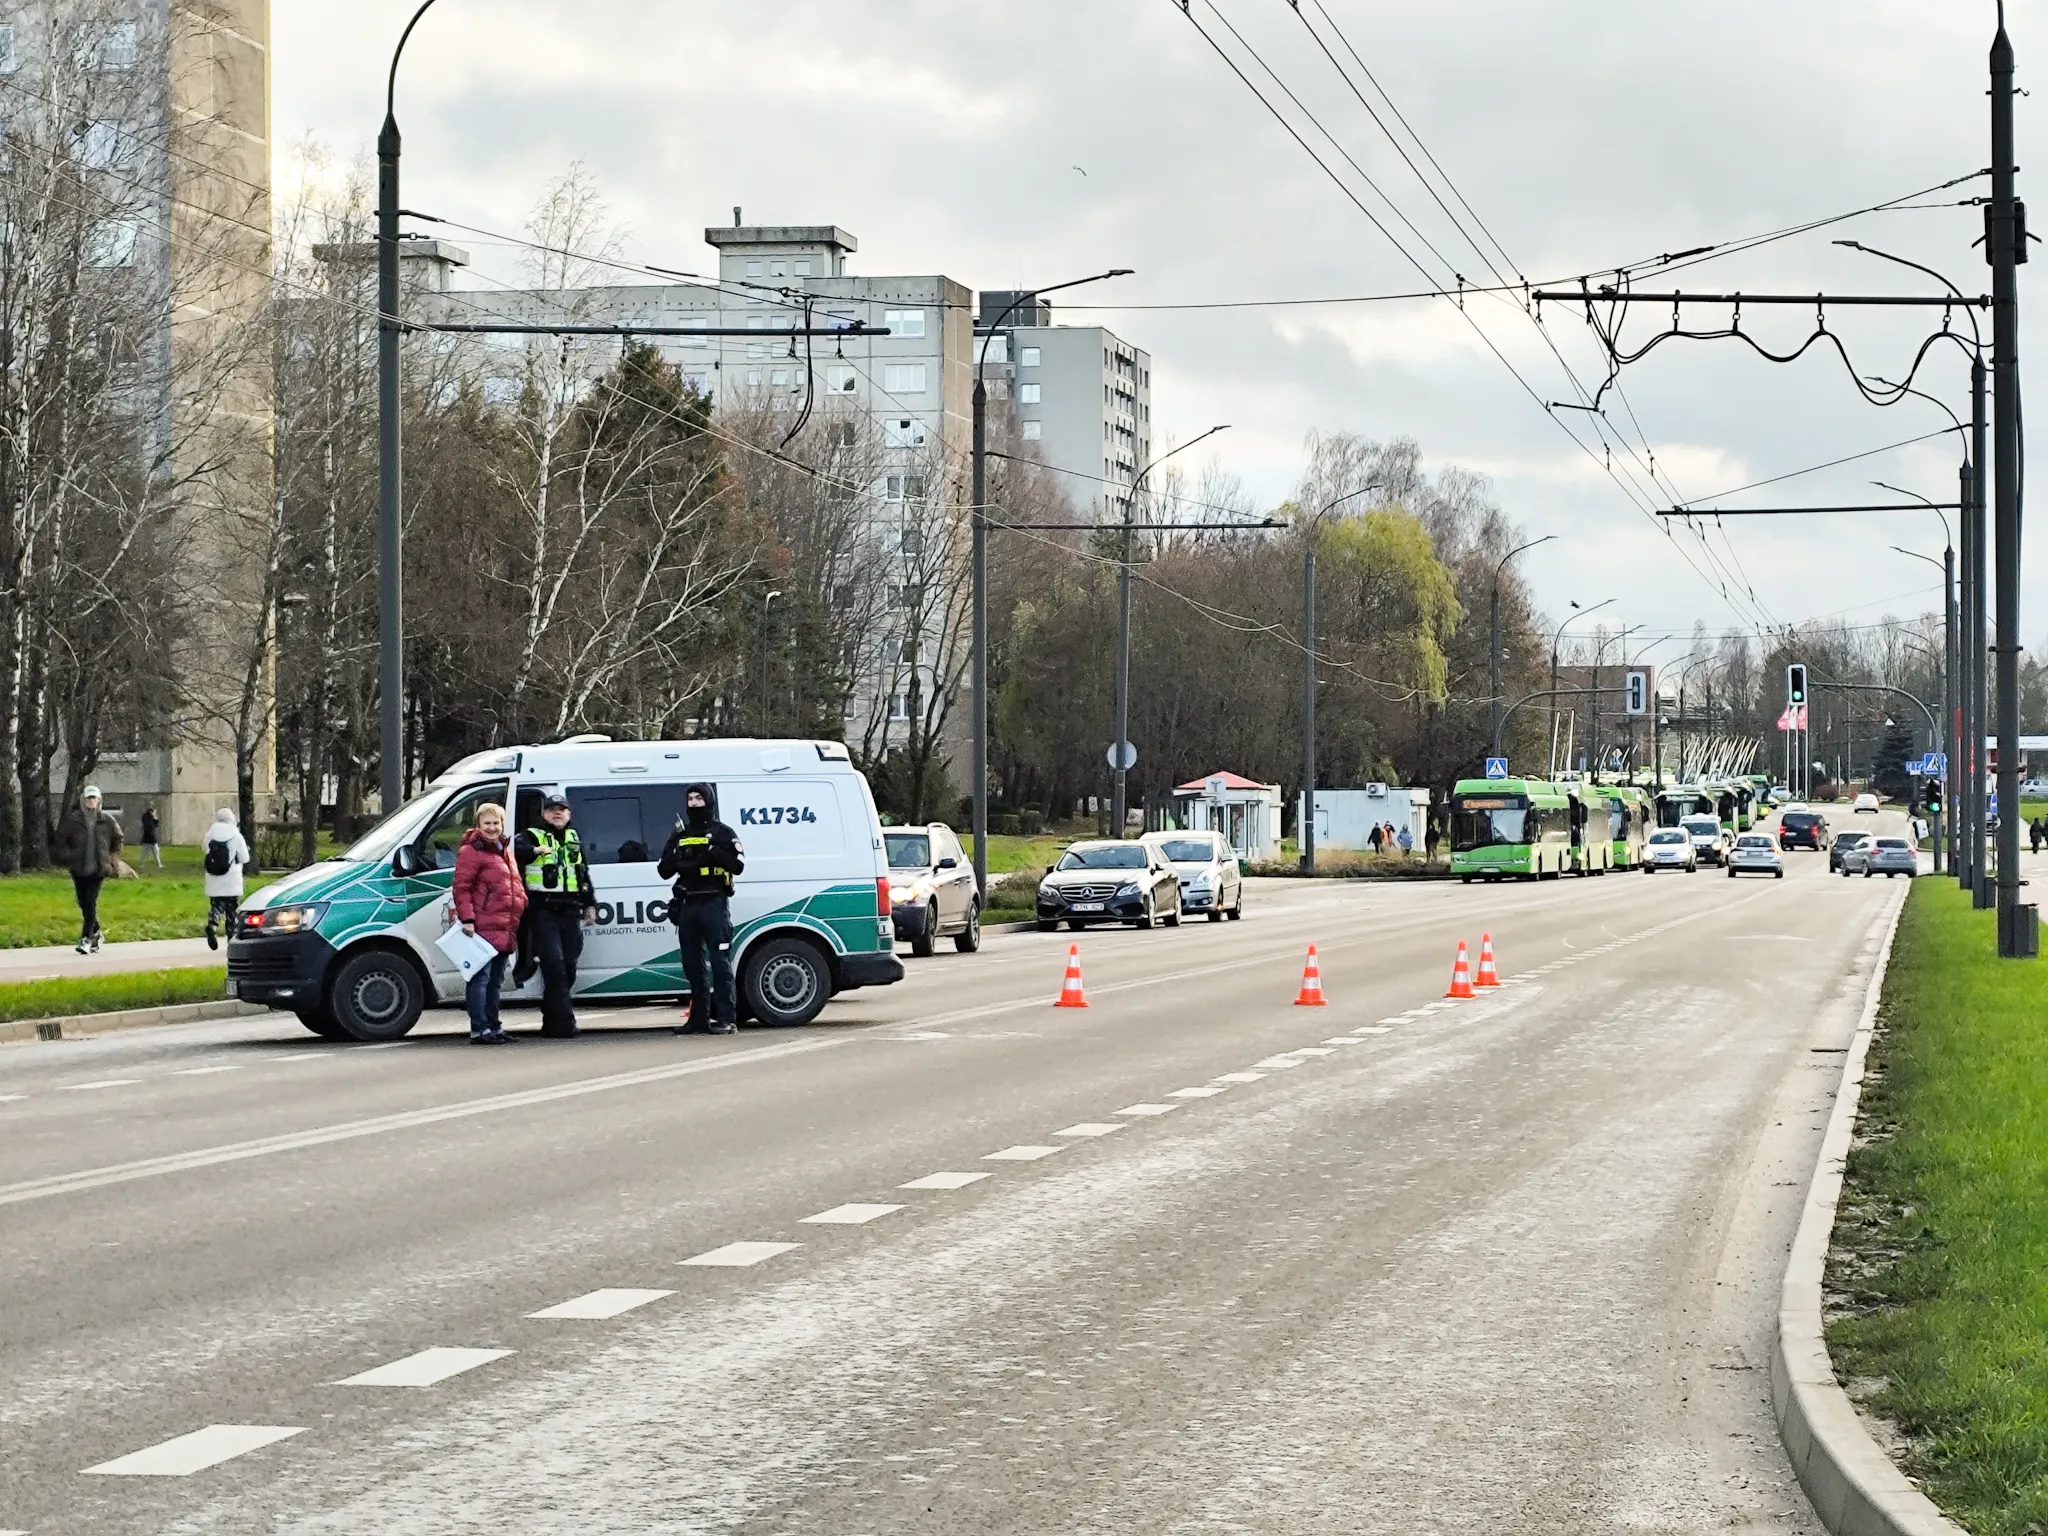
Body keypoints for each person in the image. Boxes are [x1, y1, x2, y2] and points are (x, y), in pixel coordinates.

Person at [657, 782, 745, 1035]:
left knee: (720, 963)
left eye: (699, 798)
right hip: (688, 904)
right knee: (692, 965)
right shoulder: (679, 835)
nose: (694, 803)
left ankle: (727, 1019)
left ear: (709, 801)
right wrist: (677, 855)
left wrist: (712, 852)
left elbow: (738, 867)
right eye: (691, 799)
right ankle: (698, 1020)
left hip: (714, 903)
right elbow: (664, 871)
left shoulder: (722, 832)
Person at [514, 792, 597, 1038]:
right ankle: (564, 1023)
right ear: (543, 813)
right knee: (554, 965)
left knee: (569, 965)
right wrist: (533, 850)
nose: (557, 813)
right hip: (543, 910)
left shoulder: (573, 837)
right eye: (551, 809)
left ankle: (550, 1018)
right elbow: (515, 851)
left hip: (570, 910)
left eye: (562, 809)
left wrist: (590, 903)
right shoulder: (531, 835)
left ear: (569, 813)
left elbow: (582, 873)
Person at [453, 802, 527, 1045]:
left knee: (495, 980)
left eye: (496, 823)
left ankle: (494, 1027)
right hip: (482, 925)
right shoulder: (471, 852)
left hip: (504, 925)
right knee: (480, 979)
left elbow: (512, 885)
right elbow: (461, 888)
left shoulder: (503, 850)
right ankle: (479, 1029)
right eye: (487, 823)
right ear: (478, 825)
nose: (492, 828)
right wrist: (468, 919)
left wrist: (521, 902)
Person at [55, 784, 122, 954]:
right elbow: (61, 840)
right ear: (83, 800)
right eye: (88, 798)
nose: (91, 801)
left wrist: (112, 860)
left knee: (90, 903)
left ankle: (86, 938)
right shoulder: (73, 820)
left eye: (94, 798)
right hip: (79, 868)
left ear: (99, 800)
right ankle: (96, 931)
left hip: (98, 869)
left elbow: (118, 840)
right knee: (83, 902)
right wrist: (68, 856)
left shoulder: (107, 820)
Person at [201, 808, 251, 950]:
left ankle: (212, 923)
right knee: (232, 911)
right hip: (232, 880)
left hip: (214, 879)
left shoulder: (210, 834)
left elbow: (205, 850)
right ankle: (231, 940)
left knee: (216, 906)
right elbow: (245, 858)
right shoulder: (236, 835)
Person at [139, 804, 162, 869]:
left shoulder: (152, 818)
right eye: (154, 812)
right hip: (149, 838)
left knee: (155, 852)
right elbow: (149, 827)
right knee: (146, 853)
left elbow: (156, 823)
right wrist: (153, 816)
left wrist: (155, 817)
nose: (154, 813)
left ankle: (159, 864)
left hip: (151, 838)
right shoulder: (146, 817)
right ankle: (142, 864)